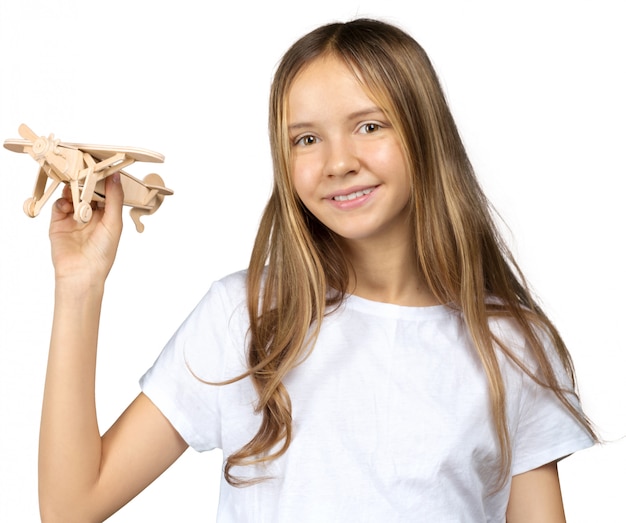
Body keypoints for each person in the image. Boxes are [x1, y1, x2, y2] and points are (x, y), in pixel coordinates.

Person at [39, 18, 597, 522]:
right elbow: (70, 507)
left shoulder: (510, 346)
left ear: (425, 131)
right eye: (307, 138)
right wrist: (79, 285)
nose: (338, 162)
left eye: (370, 126)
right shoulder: (247, 318)